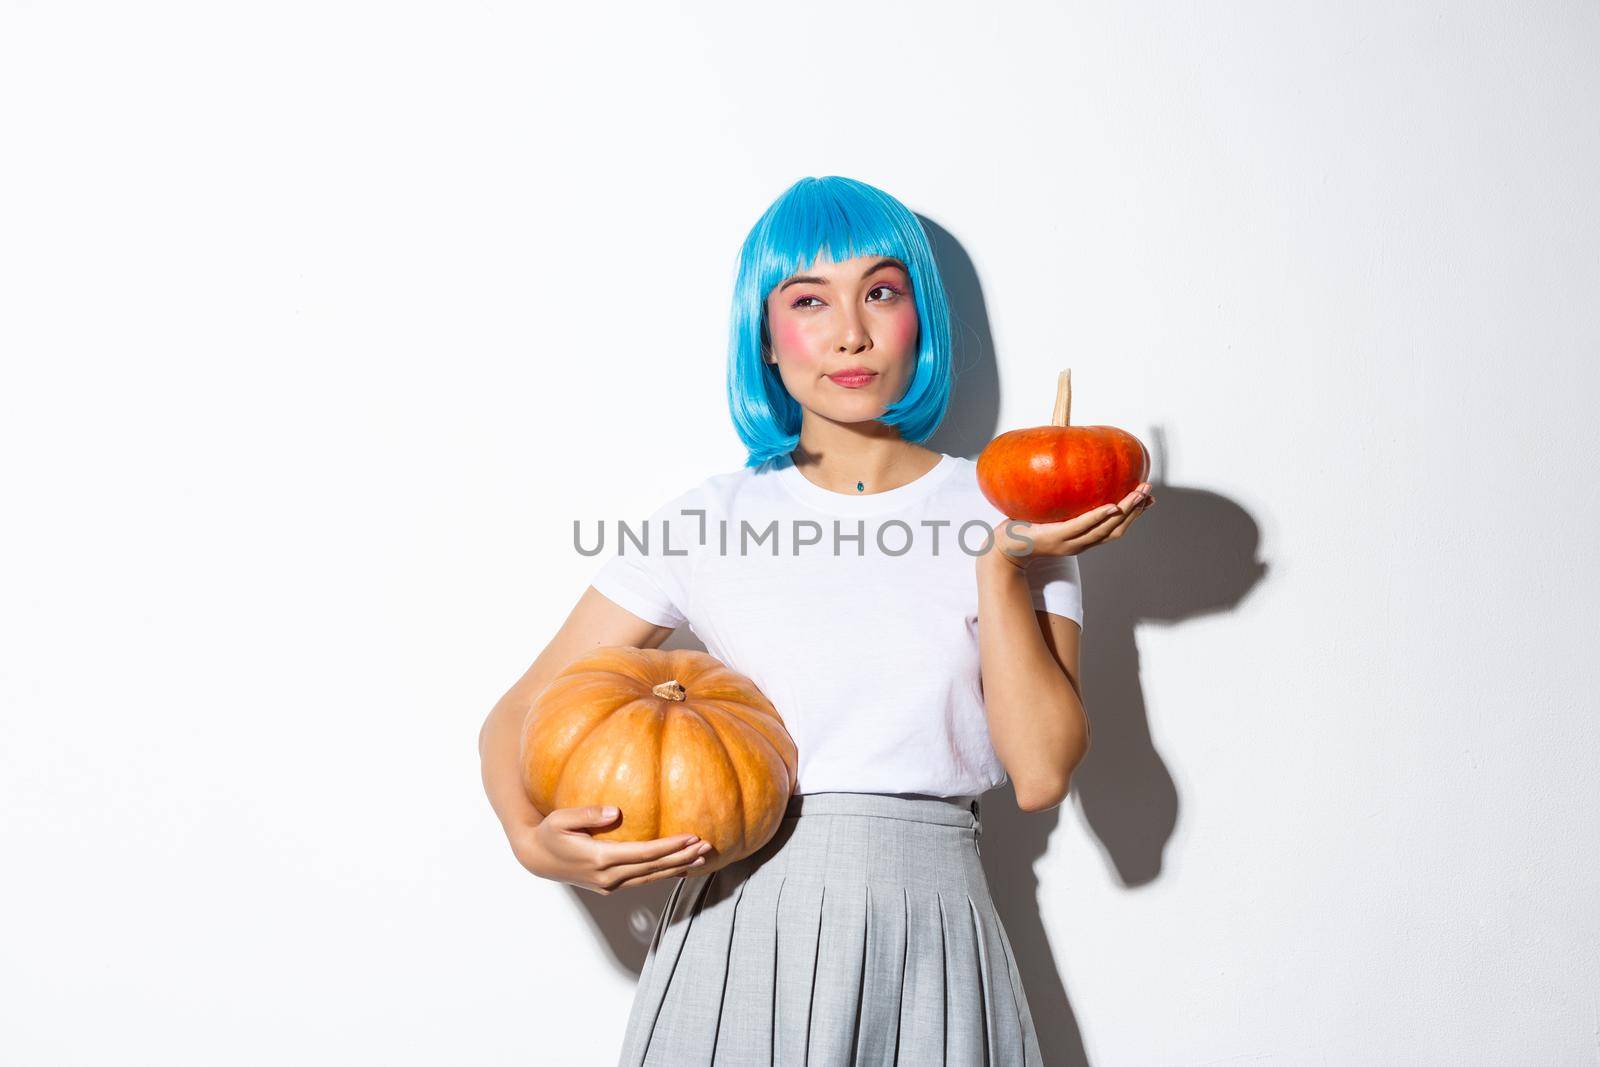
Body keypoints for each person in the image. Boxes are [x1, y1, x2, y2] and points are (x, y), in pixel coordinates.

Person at [477, 175, 1154, 1065]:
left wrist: (1000, 566)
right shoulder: (704, 521)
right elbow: (519, 711)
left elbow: (1040, 773)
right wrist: (535, 845)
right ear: (764, 334)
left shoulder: (1013, 508)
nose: (851, 332)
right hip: (738, 925)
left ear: (922, 318)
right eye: (808, 300)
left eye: (881, 292)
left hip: (932, 924)